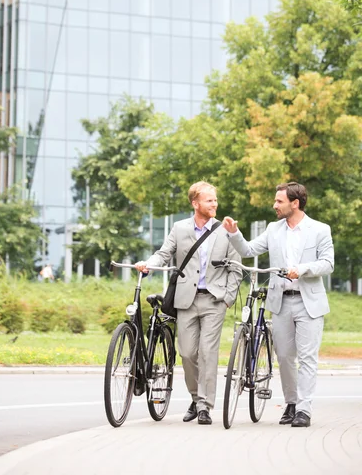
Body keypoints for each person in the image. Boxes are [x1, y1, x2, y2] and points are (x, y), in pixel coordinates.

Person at [223, 181, 334, 428]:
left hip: (309, 303)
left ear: (295, 203)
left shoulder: (319, 230)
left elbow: (328, 264)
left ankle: (304, 410)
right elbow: (249, 250)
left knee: (307, 358)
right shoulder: (274, 229)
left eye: (279, 201)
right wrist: (233, 233)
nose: (275, 205)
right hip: (281, 302)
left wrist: (302, 269)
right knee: (284, 356)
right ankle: (291, 403)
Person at [135, 181, 242, 425]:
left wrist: (228, 297)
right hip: (186, 300)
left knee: (207, 352)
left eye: (215, 200)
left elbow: (235, 268)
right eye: (209, 200)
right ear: (195, 203)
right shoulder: (180, 228)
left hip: (214, 300)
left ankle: (205, 406)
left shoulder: (227, 230)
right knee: (187, 353)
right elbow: (164, 254)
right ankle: (196, 398)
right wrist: (148, 265)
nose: (214, 204)